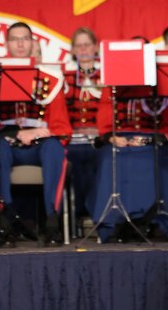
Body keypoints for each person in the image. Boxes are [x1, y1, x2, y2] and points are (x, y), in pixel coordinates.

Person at [0, 22, 71, 245]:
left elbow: (62, 127)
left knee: (55, 149)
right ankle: (5, 220)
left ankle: (52, 222)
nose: (20, 44)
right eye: (15, 39)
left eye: (25, 39)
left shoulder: (51, 79)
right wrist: (14, 134)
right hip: (9, 144)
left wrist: (37, 134)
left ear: (32, 43)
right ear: (6, 43)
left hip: (40, 145)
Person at [91, 84, 168, 241]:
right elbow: (105, 125)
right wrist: (113, 138)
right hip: (119, 138)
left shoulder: (163, 85)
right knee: (109, 160)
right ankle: (112, 224)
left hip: (153, 138)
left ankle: (153, 222)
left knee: (159, 161)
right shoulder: (112, 86)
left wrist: (149, 140)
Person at [64, 27, 102, 222]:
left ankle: (96, 213)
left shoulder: (106, 76)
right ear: (72, 50)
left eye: (87, 44)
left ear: (95, 47)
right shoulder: (65, 77)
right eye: (79, 45)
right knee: (76, 159)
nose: (84, 49)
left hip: (99, 138)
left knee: (99, 158)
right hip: (73, 138)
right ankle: (80, 213)